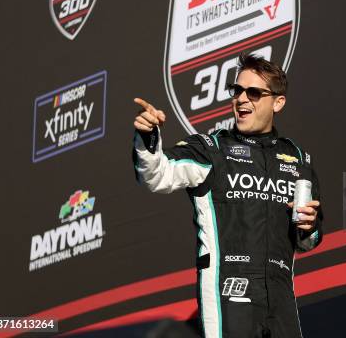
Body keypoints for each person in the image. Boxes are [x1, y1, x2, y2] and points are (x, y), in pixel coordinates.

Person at [132, 53, 323, 338]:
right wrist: (147, 138)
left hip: (281, 294)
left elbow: (307, 242)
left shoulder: (297, 158)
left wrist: (310, 225)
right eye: (237, 90)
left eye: (254, 92)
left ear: (278, 102)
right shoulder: (211, 149)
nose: (242, 98)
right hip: (227, 290)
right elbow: (156, 174)